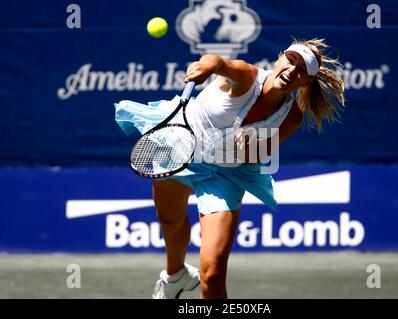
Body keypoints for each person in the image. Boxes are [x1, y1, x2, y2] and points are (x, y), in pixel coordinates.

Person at [115, 38, 344, 299]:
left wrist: (249, 149)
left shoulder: (291, 118)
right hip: (181, 146)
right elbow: (218, 62)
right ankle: (176, 275)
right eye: (291, 60)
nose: (293, 70)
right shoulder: (246, 76)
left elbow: (260, 154)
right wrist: (205, 67)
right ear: (279, 58)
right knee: (169, 219)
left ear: (305, 83)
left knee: (212, 274)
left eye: (302, 70)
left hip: (226, 173)